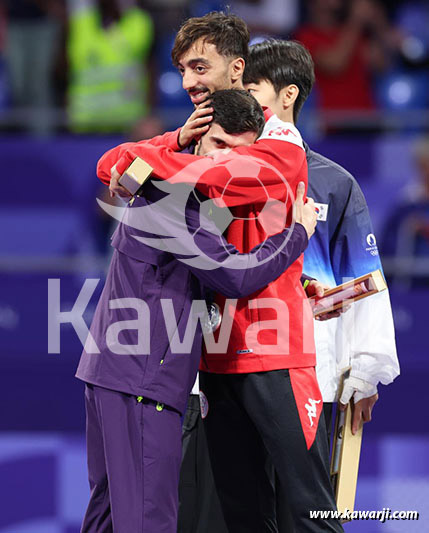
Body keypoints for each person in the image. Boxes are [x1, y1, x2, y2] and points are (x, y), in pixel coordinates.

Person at [76, 88, 317, 533]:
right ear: (199, 136)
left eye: (239, 156)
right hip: (144, 381)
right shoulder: (174, 198)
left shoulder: (187, 194)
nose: (226, 164)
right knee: (149, 523)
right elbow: (235, 275)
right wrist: (297, 234)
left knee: (108, 521)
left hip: (115, 377)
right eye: (220, 146)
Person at [243, 38, 399, 529]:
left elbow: (364, 281)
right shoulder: (230, 173)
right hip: (239, 368)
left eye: (253, 89)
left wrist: (366, 372)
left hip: (312, 372)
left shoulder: (334, 183)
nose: (244, 101)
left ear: (286, 96)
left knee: (306, 516)